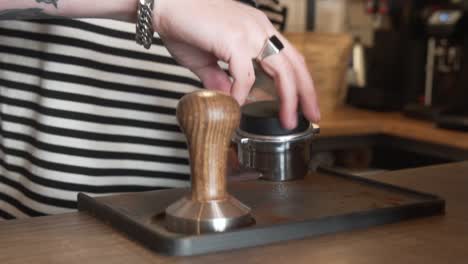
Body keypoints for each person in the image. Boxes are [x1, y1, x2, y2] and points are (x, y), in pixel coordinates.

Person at [0, 0, 319, 219]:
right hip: (53, 232)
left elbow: (242, 72)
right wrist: (159, 5)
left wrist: (237, 139)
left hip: (199, 234)